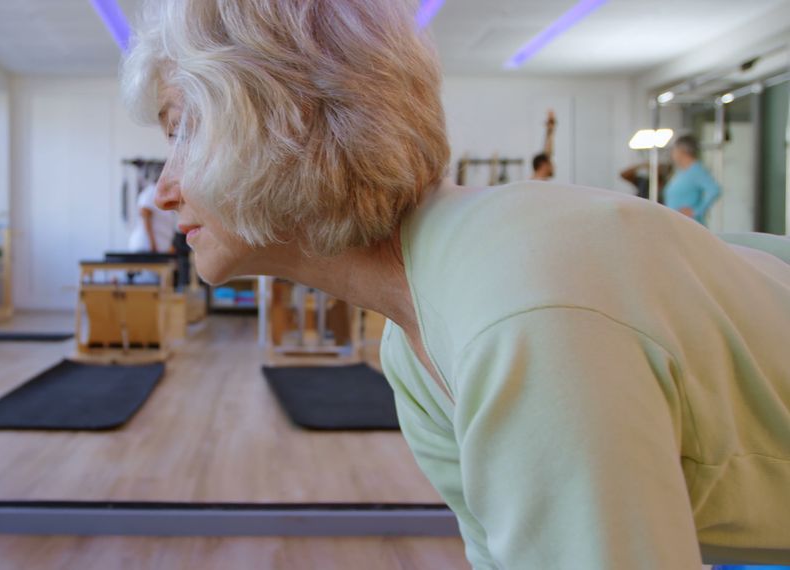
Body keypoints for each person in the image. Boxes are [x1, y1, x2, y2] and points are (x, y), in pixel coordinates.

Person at [122, 1, 790, 567]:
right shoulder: (414, 343)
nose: (161, 190)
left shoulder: (520, 314)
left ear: (282, 127)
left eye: (183, 133)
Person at [664, 134, 722, 225]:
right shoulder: (680, 171)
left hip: (689, 224)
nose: (672, 154)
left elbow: (714, 189)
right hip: (676, 223)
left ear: (681, 151)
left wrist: (697, 210)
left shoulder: (696, 170)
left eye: (674, 150)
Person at [127, 166, 178, 252]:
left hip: (158, 248)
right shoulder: (151, 192)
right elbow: (145, 214)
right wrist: (152, 243)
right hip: (146, 247)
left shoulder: (164, 194)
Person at [531, 110, 556, 180]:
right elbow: (547, 153)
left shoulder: (538, 181)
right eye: (551, 163)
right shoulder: (536, 183)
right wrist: (550, 130)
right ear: (543, 165)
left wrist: (550, 130)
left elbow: (547, 153)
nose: (554, 167)